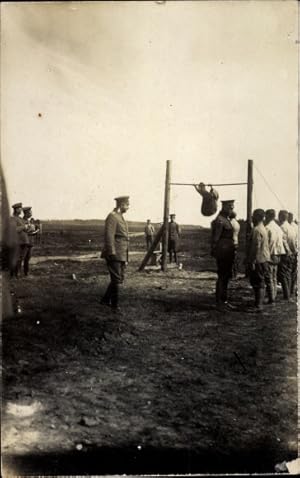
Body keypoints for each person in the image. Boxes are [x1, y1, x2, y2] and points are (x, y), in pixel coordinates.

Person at [100, 196, 130, 312]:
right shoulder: (112, 217)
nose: (128, 207)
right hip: (115, 253)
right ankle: (115, 306)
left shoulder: (120, 217)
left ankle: (105, 300)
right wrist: (111, 252)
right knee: (116, 279)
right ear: (121, 205)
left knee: (118, 278)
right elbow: (109, 235)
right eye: (127, 205)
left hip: (121, 252)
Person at [211, 200, 236, 310]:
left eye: (232, 208)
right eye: (230, 208)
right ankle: (219, 302)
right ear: (224, 207)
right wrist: (215, 250)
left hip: (228, 252)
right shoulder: (220, 220)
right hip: (223, 252)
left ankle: (224, 301)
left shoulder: (226, 219)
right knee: (222, 277)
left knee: (226, 276)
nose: (232, 210)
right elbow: (216, 238)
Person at [246, 209, 271, 312]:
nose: (251, 217)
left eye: (253, 216)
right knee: (260, 282)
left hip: (258, 260)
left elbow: (256, 246)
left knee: (258, 282)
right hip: (263, 259)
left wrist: (251, 261)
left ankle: (258, 306)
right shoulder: (263, 228)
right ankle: (258, 304)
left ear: (256, 217)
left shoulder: (257, 230)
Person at [265, 209, 286, 303]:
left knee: (269, 277)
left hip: (271, 254)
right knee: (274, 277)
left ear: (268, 216)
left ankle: (271, 298)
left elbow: (267, 244)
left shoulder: (268, 228)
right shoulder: (278, 228)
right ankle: (274, 295)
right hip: (278, 254)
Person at [278, 210, 295, 301]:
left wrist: (288, 251)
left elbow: (283, 241)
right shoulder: (291, 227)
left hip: (286, 253)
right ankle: (289, 293)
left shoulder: (282, 227)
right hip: (293, 252)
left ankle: (287, 295)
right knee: (288, 273)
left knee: (283, 274)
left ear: (280, 217)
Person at [9, 202, 29, 278]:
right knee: (18, 258)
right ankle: (14, 275)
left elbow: (24, 229)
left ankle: (16, 274)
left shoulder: (20, 219)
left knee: (20, 259)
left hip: (24, 241)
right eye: (19, 208)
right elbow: (15, 230)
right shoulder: (12, 218)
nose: (21, 209)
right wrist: (24, 227)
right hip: (18, 242)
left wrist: (29, 228)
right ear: (16, 209)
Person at [22, 207, 39, 276]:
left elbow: (31, 230)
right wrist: (33, 232)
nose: (31, 213)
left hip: (30, 242)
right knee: (21, 258)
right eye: (30, 212)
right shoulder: (22, 221)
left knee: (27, 259)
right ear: (26, 213)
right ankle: (16, 274)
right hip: (25, 243)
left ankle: (26, 273)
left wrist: (35, 230)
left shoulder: (29, 221)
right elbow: (25, 232)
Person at [288, 212, 298, 296]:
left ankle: (292, 290)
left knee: (293, 272)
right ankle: (292, 289)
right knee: (293, 272)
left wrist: (294, 251)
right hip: (294, 251)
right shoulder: (294, 226)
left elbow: (292, 241)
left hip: (294, 251)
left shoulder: (293, 227)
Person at [229, 211, 240, 279]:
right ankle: (235, 273)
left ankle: (232, 274)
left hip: (231, 242)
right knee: (234, 259)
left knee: (230, 259)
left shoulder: (230, 223)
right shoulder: (237, 223)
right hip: (236, 241)